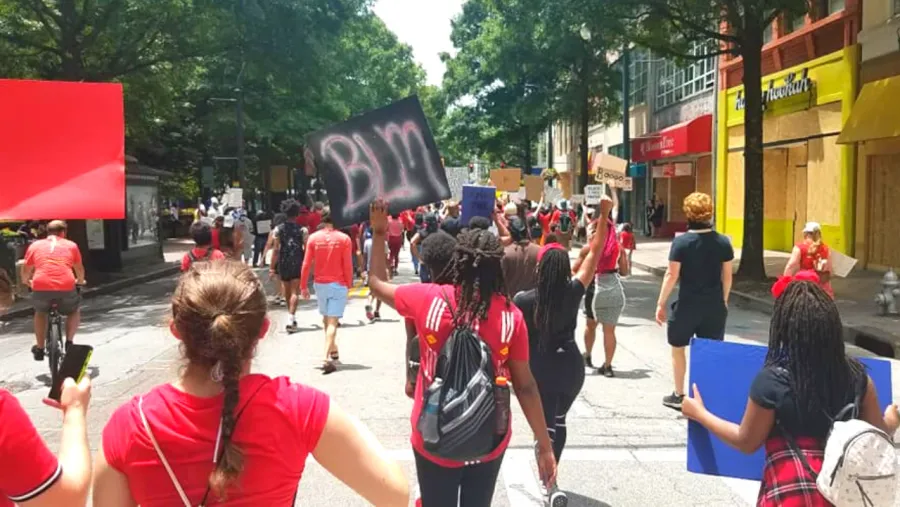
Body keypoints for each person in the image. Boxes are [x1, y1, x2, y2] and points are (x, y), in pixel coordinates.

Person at [92, 261, 408, 506]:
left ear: (176, 331)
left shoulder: (131, 424)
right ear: (263, 330)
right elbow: (394, 494)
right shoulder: (298, 407)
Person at [366, 200, 557, 507]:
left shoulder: (428, 299)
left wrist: (378, 233)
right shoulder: (511, 317)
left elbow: (376, 284)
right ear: (498, 266)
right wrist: (544, 446)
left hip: (432, 435)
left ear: (458, 261)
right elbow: (525, 386)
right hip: (489, 438)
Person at [682, 279, 900, 506]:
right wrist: (892, 421)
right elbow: (877, 437)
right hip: (842, 496)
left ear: (784, 329)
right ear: (833, 328)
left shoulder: (773, 382)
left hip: (791, 494)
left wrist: (700, 414)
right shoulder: (859, 379)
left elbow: (746, 442)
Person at [512, 196, 610, 505]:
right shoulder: (574, 290)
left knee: (543, 427)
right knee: (559, 421)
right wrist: (605, 214)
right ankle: (551, 477)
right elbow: (595, 252)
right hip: (570, 366)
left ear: (539, 267)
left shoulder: (523, 300)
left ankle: (549, 482)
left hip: (537, 367)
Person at [655, 192, 734, 410]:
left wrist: (661, 303)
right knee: (710, 351)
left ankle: (679, 394)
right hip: (714, 306)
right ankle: (706, 396)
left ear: (688, 214)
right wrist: (723, 301)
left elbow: (671, 275)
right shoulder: (723, 242)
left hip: (687, 305)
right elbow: (727, 277)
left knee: (678, 347)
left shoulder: (681, 242)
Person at [403, 231, 457, 400]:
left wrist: (410, 379)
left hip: (428, 395)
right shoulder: (470, 298)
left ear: (427, 264)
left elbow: (412, 342)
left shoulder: (417, 299)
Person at [22, 221, 86, 362]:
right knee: (73, 310)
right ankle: (69, 342)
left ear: (47, 231)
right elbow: (79, 268)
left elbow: (26, 269)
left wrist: (27, 281)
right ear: (64, 232)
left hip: (40, 283)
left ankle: (40, 348)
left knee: (40, 312)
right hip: (66, 284)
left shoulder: (35, 245)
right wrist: (80, 281)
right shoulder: (71, 245)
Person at [301, 209, 353, 374]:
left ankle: (333, 349)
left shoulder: (313, 238)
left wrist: (303, 285)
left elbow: (306, 264)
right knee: (332, 322)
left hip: (320, 284)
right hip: (338, 284)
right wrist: (349, 283)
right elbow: (347, 264)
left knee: (326, 319)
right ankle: (325, 357)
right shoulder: (344, 239)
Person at [589, 190, 627, 377]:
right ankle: (608, 365)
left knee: (590, 325)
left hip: (597, 287)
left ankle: (587, 355)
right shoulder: (618, 245)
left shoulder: (593, 242)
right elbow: (625, 272)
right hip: (615, 288)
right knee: (609, 331)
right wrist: (613, 191)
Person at [270, 201, 308, 331]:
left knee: (286, 291)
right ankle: (291, 318)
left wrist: (272, 267)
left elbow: (276, 249)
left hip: (283, 261)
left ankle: (291, 316)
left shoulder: (278, 229)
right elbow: (306, 249)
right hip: (297, 260)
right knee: (294, 292)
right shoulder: (302, 230)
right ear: (297, 213)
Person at [783, 221, 834, 298]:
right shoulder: (826, 248)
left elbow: (791, 265)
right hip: (822, 287)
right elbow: (830, 269)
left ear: (805, 234)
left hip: (804, 285)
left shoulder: (799, 248)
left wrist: (785, 279)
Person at [501, 216, 540, 298]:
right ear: (526, 231)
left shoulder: (505, 253)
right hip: (534, 300)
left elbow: (500, 281)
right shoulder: (539, 250)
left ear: (510, 233)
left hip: (511, 302)